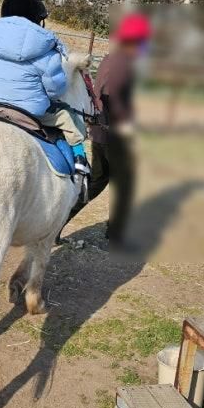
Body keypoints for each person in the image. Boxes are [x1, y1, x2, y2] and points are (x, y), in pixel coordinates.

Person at [0, 0, 90, 175]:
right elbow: (55, 89)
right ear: (37, 20)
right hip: (28, 111)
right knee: (66, 115)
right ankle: (80, 159)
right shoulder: (45, 46)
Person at [61, 12, 152, 247]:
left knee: (97, 181)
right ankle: (117, 234)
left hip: (103, 133)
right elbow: (110, 97)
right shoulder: (123, 63)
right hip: (113, 134)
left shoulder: (112, 59)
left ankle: (58, 222)